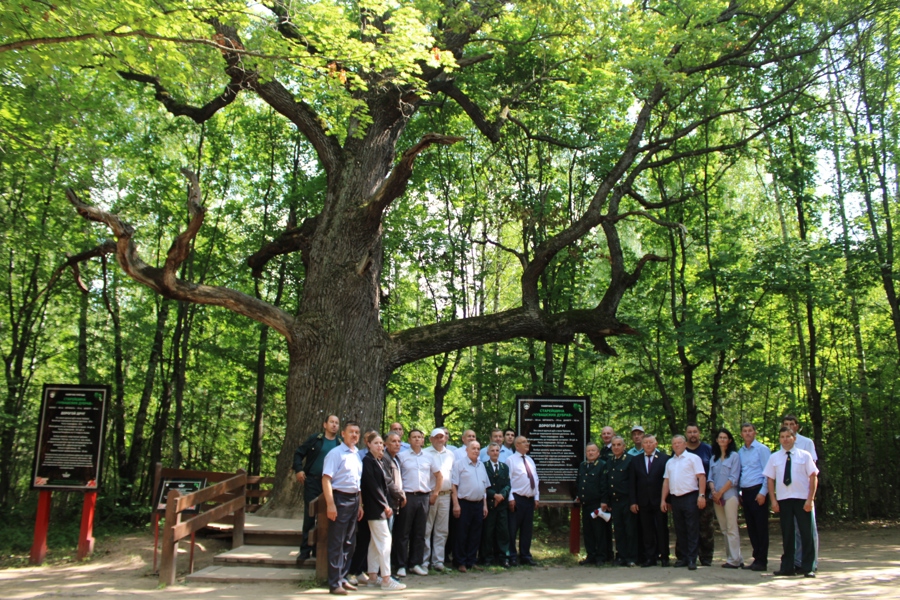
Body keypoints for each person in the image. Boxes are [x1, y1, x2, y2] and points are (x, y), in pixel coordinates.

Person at [764, 426, 819, 578]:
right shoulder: (774, 457)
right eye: (782, 437)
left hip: (802, 499)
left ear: (794, 438)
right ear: (779, 439)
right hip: (784, 499)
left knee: (806, 533)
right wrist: (773, 500)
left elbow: (813, 476)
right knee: (787, 534)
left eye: (788, 436)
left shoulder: (804, 455)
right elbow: (770, 479)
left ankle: (808, 567)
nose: (785, 439)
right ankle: (788, 566)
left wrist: (810, 499)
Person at [321, 420, 363, 595]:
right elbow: (326, 479)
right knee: (337, 542)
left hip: (354, 500)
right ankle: (334, 582)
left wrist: (360, 503)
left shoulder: (357, 454)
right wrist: (331, 504)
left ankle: (343, 577)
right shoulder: (335, 453)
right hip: (340, 499)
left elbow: (357, 482)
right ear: (343, 434)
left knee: (349, 542)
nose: (354, 435)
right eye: (351, 432)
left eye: (357, 432)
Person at [361, 433, 406, 591]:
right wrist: (385, 505)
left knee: (375, 542)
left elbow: (386, 483)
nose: (380, 446)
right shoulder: (367, 461)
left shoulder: (377, 461)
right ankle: (386, 579)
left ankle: (373, 576)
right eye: (376, 443)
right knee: (385, 541)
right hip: (375, 508)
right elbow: (373, 488)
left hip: (379, 506)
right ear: (368, 444)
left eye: (381, 443)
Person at [393, 429, 441, 578]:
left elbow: (439, 476)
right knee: (403, 532)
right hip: (407, 496)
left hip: (424, 497)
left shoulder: (428, 457)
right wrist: (399, 495)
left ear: (423, 440)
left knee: (420, 532)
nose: (417, 439)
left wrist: (435, 493)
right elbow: (396, 477)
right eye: (414, 437)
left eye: (419, 437)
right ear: (409, 439)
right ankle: (401, 565)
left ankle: (416, 563)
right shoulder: (401, 457)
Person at [293, 414, 341, 561]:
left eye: (337, 423)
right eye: (331, 422)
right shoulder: (316, 439)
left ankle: (322, 549)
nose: (334, 425)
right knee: (310, 515)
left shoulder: (340, 444)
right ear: (324, 424)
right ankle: (305, 549)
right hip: (313, 481)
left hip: (331, 485)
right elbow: (298, 453)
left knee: (329, 515)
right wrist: (299, 470)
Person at [661, 434, 706, 570]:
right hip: (676, 498)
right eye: (674, 443)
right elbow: (666, 482)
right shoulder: (670, 462)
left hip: (690, 496)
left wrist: (701, 495)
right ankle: (684, 558)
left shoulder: (693, 458)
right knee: (680, 529)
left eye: (679, 443)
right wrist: (663, 499)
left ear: (685, 444)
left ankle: (692, 559)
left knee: (692, 528)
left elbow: (701, 477)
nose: (676, 445)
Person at [782, 414, 819, 572]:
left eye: (792, 423)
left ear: (797, 426)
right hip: (788, 494)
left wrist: (810, 495)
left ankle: (811, 563)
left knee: (808, 529)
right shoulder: (783, 443)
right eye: (786, 423)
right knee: (793, 530)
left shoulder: (807, 443)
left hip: (804, 492)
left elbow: (812, 469)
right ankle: (797, 561)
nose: (789, 426)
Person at [629, 434, 669, 567]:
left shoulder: (664, 459)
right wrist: (633, 501)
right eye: (645, 442)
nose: (648, 445)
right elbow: (632, 482)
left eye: (651, 442)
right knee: (647, 531)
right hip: (643, 501)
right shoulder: (636, 460)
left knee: (662, 529)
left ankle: (664, 557)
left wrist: (667, 500)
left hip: (660, 501)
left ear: (656, 443)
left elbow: (668, 481)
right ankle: (650, 557)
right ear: (642, 444)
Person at [451, 441, 490, 572]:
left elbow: (484, 487)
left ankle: (471, 560)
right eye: (473, 448)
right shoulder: (459, 464)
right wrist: (456, 504)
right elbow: (454, 485)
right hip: (464, 503)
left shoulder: (481, 465)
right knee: (462, 534)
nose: (476, 451)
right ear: (467, 450)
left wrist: (485, 505)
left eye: (478, 449)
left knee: (475, 534)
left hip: (478, 504)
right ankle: (460, 562)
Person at [601, 436, 639, 567]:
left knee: (630, 530)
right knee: (619, 530)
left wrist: (634, 502)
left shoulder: (630, 460)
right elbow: (607, 482)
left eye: (618, 445)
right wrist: (606, 500)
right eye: (614, 445)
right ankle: (621, 555)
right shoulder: (609, 461)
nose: (616, 447)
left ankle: (632, 557)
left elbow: (634, 483)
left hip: (627, 500)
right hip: (615, 501)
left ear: (624, 446)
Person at [738, 422, 771, 571]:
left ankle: (762, 560)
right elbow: (740, 473)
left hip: (758, 490)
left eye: (750, 431)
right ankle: (756, 558)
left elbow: (768, 473)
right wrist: (739, 493)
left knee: (761, 527)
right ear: (741, 434)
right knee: (751, 528)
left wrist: (763, 492)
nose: (747, 433)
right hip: (745, 492)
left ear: (755, 432)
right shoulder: (740, 452)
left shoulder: (762, 449)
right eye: (745, 431)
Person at [708, 428, 743, 568]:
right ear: (716, 440)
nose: (722, 439)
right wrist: (713, 491)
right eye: (720, 437)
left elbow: (733, 478)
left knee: (732, 527)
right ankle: (733, 557)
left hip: (729, 496)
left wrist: (721, 492)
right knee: (723, 528)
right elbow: (710, 477)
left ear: (729, 440)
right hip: (716, 498)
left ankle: (734, 560)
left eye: (725, 437)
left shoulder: (734, 456)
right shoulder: (713, 458)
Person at [683, 423, 715, 567]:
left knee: (706, 526)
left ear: (699, 433)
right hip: (686, 493)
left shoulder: (708, 449)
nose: (692, 435)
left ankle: (706, 556)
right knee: (686, 526)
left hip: (705, 493)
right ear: (686, 434)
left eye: (695, 432)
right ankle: (685, 556)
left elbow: (714, 470)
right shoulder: (681, 450)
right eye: (689, 432)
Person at [423, 428, 454, 571]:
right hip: (430, 495)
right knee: (427, 528)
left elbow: (453, 478)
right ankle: (424, 560)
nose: (440, 439)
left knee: (442, 530)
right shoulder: (425, 453)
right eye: (437, 437)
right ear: (431, 439)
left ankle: (438, 561)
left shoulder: (451, 455)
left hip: (446, 495)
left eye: (442, 437)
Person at [506, 435, 540, 566]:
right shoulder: (511, 460)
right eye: (523, 442)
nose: (527, 444)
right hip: (517, 499)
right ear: (517, 445)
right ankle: (512, 556)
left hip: (529, 500)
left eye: (527, 442)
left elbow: (535, 480)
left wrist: (536, 497)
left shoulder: (530, 460)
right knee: (513, 529)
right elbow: (508, 481)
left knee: (527, 530)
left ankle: (525, 555)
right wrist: (510, 498)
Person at [576, 443, 609, 566]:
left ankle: (601, 556)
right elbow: (579, 482)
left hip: (597, 504)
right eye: (588, 451)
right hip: (586, 504)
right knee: (588, 532)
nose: (590, 453)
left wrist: (604, 501)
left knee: (599, 531)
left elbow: (604, 484)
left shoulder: (602, 465)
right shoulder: (583, 465)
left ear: (598, 453)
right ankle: (591, 555)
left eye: (593, 451)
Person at [481, 442, 511, 567]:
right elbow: (482, 485)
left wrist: (502, 495)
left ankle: (503, 557)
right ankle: (487, 558)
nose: (495, 452)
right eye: (492, 450)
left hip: (502, 505)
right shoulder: (483, 466)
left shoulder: (504, 467)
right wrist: (494, 495)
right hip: (489, 504)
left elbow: (508, 484)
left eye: (497, 450)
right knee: (488, 532)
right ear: (488, 453)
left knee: (503, 532)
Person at [383, 432, 407, 531]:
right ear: (385, 444)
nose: (397, 444)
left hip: (395, 502)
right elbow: (388, 481)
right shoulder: (384, 458)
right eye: (393, 441)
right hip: (388, 502)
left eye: (399, 441)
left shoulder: (396, 458)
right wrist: (401, 495)